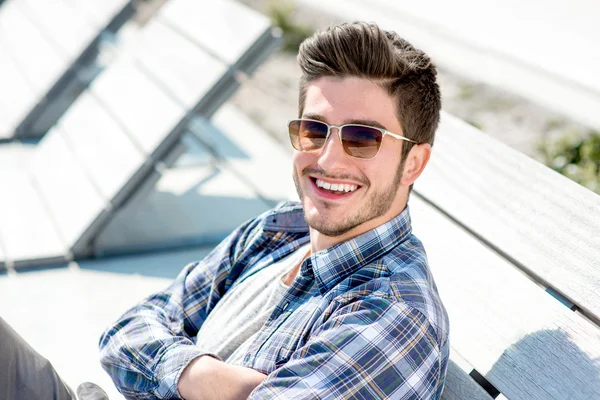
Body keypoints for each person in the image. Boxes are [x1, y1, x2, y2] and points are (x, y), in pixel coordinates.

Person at [99, 21, 449, 399]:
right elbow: (124, 333)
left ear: (413, 163)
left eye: (362, 138)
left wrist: (168, 364)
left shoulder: (392, 315)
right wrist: (209, 380)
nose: (328, 159)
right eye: (314, 130)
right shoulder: (278, 231)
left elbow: (141, 342)